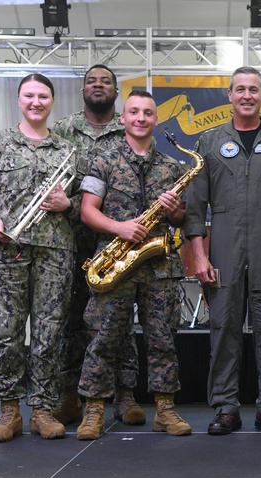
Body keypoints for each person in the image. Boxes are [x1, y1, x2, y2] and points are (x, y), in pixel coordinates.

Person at [184, 66, 261, 435]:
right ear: (229, 95)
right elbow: (194, 206)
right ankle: (225, 408)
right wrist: (200, 255)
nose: (247, 95)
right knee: (223, 329)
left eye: (254, 89)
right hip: (223, 246)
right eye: (240, 89)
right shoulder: (208, 142)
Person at [74, 90, 193, 440]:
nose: (141, 118)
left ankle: (165, 410)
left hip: (158, 265)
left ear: (156, 120)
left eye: (148, 113)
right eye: (134, 112)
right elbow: (87, 211)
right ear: (122, 118)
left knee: (163, 340)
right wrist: (120, 227)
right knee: (103, 338)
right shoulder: (102, 160)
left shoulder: (173, 167)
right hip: (113, 261)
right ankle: (93, 410)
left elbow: (184, 218)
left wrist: (174, 211)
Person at [0, 74, 78, 442]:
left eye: (43, 96)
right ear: (19, 99)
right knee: (6, 333)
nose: (36, 102)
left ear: (52, 101)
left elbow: (86, 203)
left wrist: (69, 204)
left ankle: (43, 410)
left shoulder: (69, 150)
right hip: (4, 251)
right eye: (29, 96)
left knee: (49, 334)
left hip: (54, 251)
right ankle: (9, 411)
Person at [51, 65, 148, 427]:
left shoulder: (131, 127)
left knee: (119, 322)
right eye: (91, 81)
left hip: (119, 242)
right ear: (82, 89)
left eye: (105, 81)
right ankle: (71, 395)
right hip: (70, 240)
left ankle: (125, 395)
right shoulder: (62, 130)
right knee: (72, 320)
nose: (98, 85)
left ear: (116, 91)